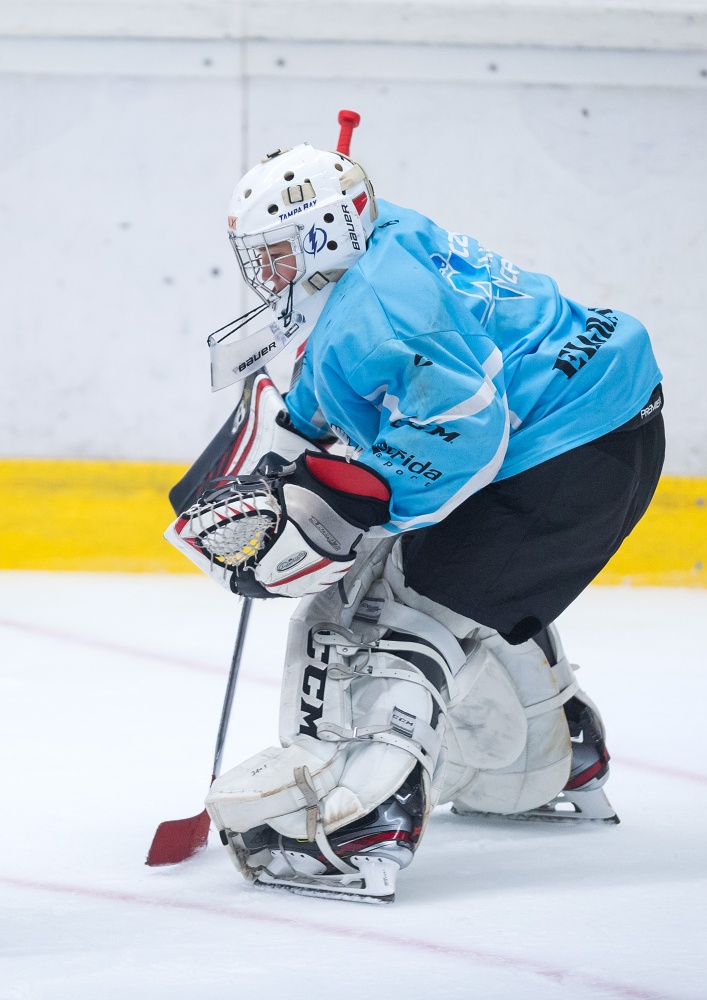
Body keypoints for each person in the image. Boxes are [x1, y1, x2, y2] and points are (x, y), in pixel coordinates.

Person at [168, 115, 664, 904]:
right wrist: (310, 433)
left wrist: (346, 500)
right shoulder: (382, 230)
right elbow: (397, 372)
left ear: (328, 231)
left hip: (567, 458)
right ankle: (540, 758)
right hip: (600, 422)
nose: (266, 272)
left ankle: (361, 825)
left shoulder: (380, 311)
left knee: (382, 616)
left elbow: (465, 428)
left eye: (277, 252)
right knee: (454, 596)